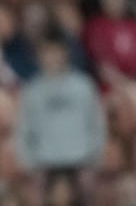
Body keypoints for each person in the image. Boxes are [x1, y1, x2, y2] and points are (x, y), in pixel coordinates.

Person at [15, 34, 106, 172]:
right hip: (44, 163)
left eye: (56, 51)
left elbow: (97, 123)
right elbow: (23, 129)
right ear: (39, 56)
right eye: (47, 52)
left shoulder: (83, 85)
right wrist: (28, 163)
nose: (52, 57)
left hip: (81, 160)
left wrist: (95, 158)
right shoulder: (32, 90)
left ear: (65, 53)